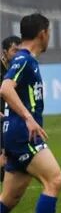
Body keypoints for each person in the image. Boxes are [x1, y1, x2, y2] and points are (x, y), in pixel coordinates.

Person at [0, 14, 61, 213]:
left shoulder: (28, 60)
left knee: (9, 198)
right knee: (54, 179)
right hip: (23, 134)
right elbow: (5, 88)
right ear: (42, 33)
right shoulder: (24, 59)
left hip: (16, 134)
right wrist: (28, 117)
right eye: (48, 32)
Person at [0, 35, 19, 179]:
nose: (17, 54)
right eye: (14, 51)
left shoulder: (18, 68)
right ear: (5, 52)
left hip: (9, 119)